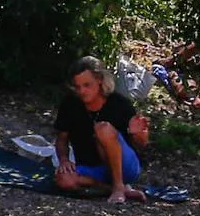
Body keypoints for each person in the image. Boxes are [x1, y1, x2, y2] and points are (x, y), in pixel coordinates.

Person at [54, 55, 149, 203]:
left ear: (100, 80)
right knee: (63, 179)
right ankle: (112, 188)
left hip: (125, 167)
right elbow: (61, 139)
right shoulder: (70, 104)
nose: (82, 91)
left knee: (103, 129)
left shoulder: (119, 104)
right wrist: (64, 160)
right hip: (91, 168)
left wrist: (138, 134)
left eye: (87, 85)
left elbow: (141, 144)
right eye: (77, 87)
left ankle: (119, 185)